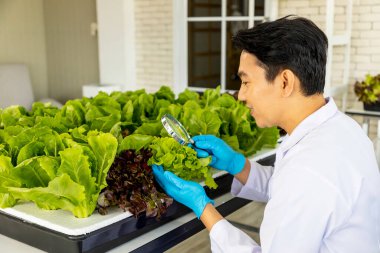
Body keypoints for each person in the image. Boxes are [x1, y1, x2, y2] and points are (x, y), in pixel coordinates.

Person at [152, 15, 380, 253]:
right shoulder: (343, 128)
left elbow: (301, 183)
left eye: (246, 82)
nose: (240, 95)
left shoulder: (311, 168)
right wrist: (237, 164)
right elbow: (286, 187)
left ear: (284, 82)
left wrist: (203, 208)